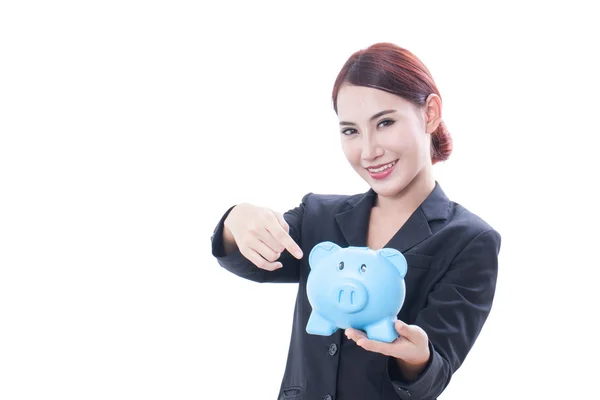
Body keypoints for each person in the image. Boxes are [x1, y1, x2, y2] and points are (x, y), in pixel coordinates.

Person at [209, 42, 501, 400]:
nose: (368, 151)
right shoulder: (318, 216)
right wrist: (235, 220)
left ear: (430, 113)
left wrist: (416, 356)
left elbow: (434, 373)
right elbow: (252, 262)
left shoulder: (470, 240)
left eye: (386, 123)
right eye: (351, 131)